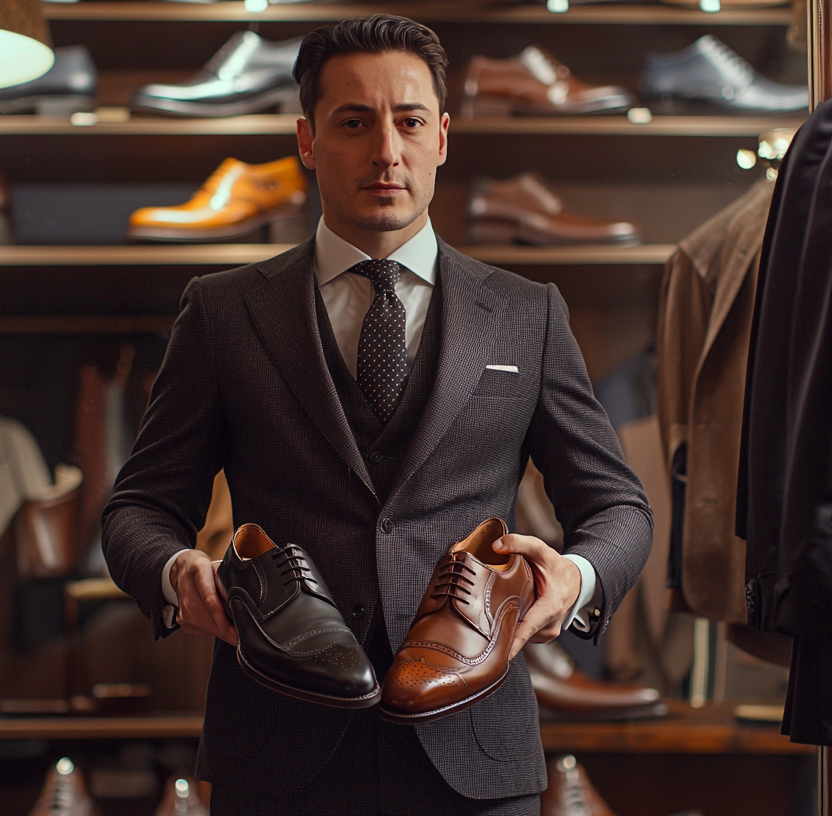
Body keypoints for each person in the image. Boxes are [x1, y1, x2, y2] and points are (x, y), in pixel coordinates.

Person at [102, 14, 652, 815]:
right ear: (307, 139)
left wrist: (575, 577)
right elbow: (140, 507)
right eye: (354, 123)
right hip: (278, 746)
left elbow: (616, 505)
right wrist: (172, 570)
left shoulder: (527, 314)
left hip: (476, 752)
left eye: (409, 121)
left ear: (443, 137)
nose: (386, 151)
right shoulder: (223, 313)